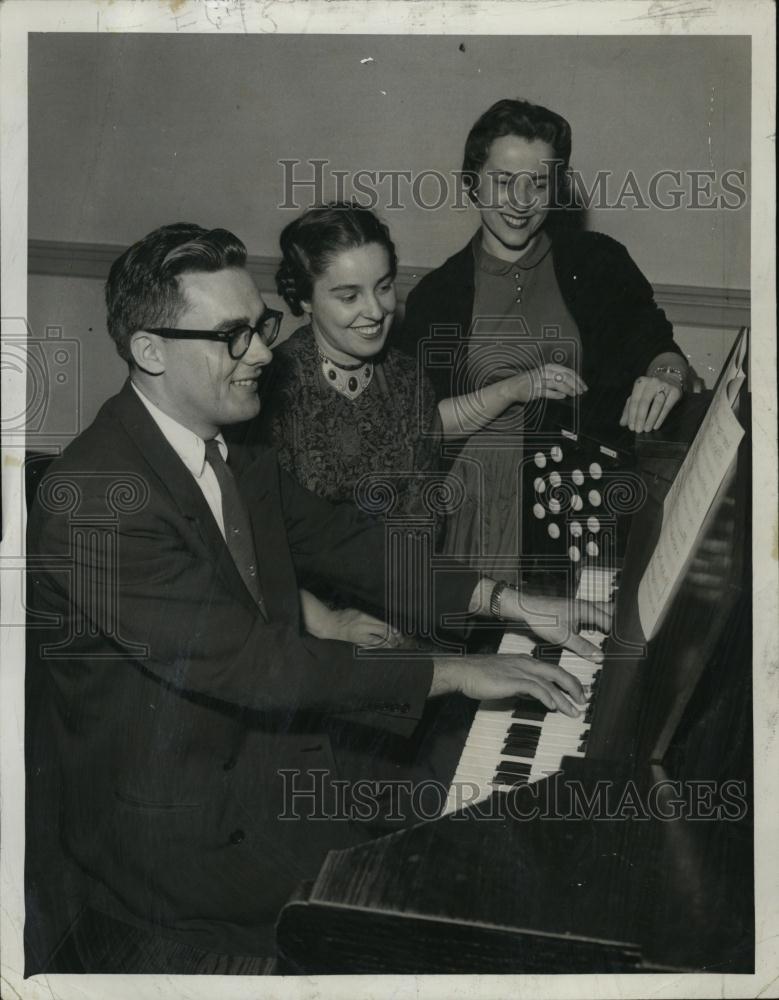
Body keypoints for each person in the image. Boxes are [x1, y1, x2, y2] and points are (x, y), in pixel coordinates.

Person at [26, 222, 612, 972]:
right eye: (232, 336)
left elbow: (344, 543)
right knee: (429, 922)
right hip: (174, 833)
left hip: (269, 763)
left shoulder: (234, 448)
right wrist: (455, 672)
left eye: (261, 326)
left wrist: (507, 602)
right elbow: (258, 667)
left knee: (475, 842)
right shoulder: (94, 503)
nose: (264, 353)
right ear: (149, 350)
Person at [398, 98, 690, 572]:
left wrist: (667, 374)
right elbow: (419, 424)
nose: (520, 202)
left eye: (537, 183)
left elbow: (655, 344)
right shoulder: (437, 295)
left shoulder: (598, 261)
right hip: (475, 520)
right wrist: (513, 388)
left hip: (587, 510)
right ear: (472, 183)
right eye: (502, 181)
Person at [254, 203, 443, 646]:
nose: (376, 311)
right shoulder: (269, 388)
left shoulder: (409, 379)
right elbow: (253, 544)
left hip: (403, 608)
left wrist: (403, 627)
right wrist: (327, 623)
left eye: (383, 287)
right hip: (299, 623)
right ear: (304, 299)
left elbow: (424, 520)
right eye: (349, 296)